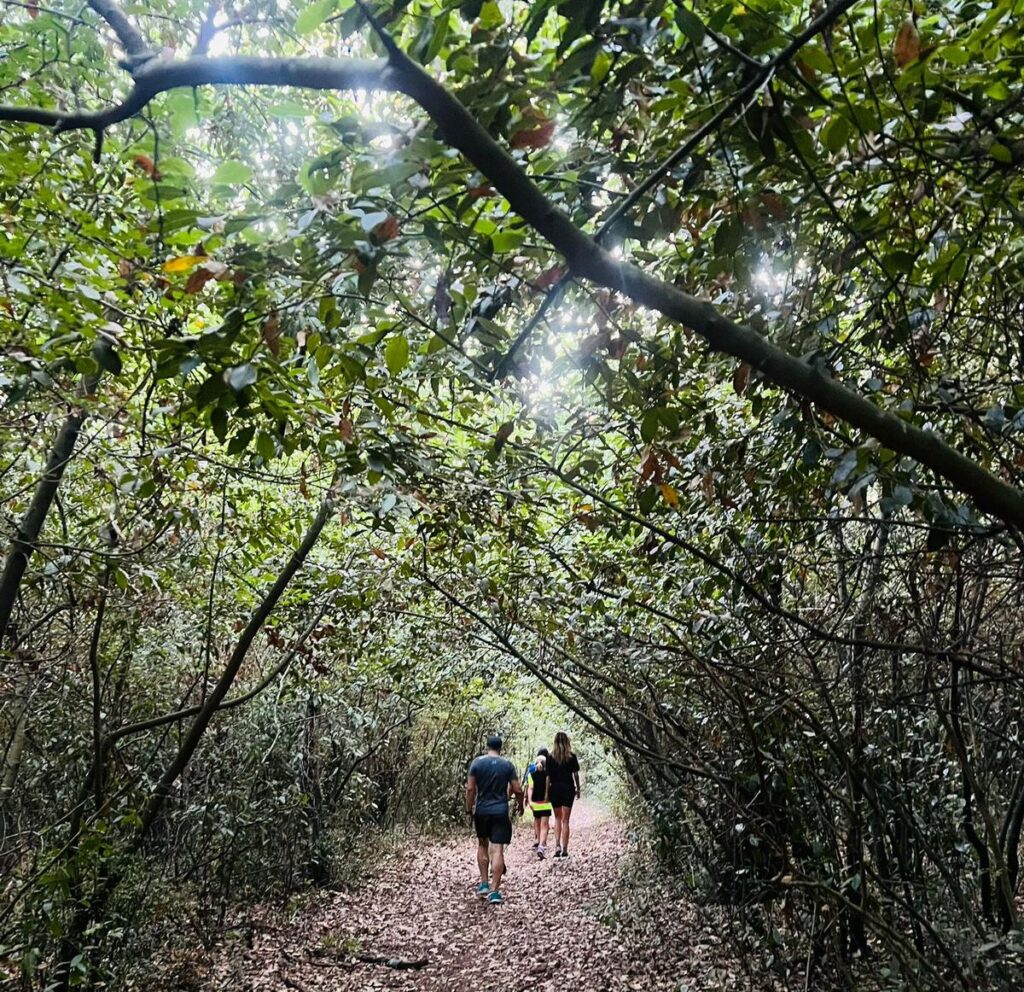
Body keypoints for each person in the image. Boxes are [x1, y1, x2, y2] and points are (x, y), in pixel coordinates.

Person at [465, 734, 523, 904]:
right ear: (500, 748)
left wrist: (469, 809)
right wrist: (520, 805)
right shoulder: (507, 765)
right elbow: (518, 789)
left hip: (482, 810)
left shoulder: (477, 763)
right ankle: (494, 891)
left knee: (482, 844)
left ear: (487, 746)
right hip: (500, 811)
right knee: (497, 849)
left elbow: (470, 788)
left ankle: (483, 883)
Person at [546, 732, 580, 858]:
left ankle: (557, 846)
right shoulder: (571, 757)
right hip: (568, 788)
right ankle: (565, 849)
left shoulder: (550, 757)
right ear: (567, 741)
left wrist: (546, 793)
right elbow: (575, 774)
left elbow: (548, 777)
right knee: (566, 820)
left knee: (557, 818)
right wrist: (578, 789)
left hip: (555, 788)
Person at [526, 750, 552, 858]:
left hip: (536, 803)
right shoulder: (548, 774)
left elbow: (530, 788)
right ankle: (541, 845)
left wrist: (529, 800)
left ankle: (538, 840)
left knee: (537, 822)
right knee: (544, 825)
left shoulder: (531, 775)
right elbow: (550, 787)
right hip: (546, 803)